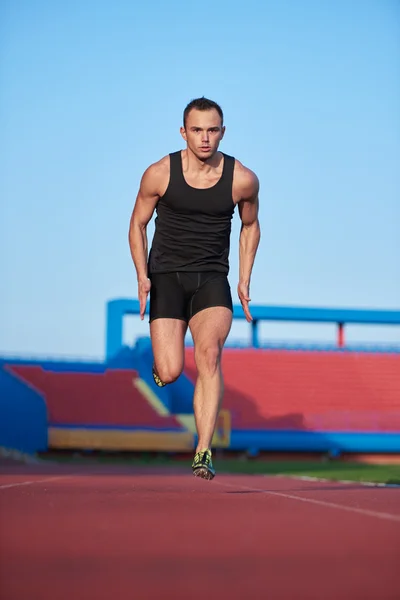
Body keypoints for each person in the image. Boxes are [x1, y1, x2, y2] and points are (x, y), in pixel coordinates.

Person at [128, 97, 260, 480]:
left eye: (212, 130)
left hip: (211, 277)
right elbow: (137, 224)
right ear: (184, 132)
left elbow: (250, 226)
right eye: (197, 130)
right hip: (167, 275)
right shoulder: (159, 173)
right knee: (170, 372)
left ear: (222, 132)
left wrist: (244, 279)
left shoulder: (242, 179)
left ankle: (203, 450)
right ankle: (162, 367)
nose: (205, 138)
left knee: (210, 355)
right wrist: (142, 275)